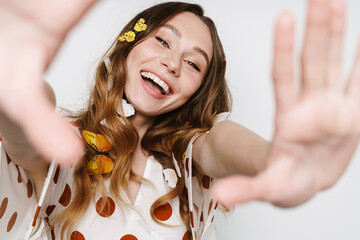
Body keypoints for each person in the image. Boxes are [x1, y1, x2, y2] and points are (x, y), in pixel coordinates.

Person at [0, 0, 359, 239]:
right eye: (163, 41)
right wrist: (15, 87)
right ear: (129, 47)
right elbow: (27, 125)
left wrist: (275, 160)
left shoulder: (190, 160)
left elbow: (221, 142)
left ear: (197, 90)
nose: (172, 63)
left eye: (193, 63)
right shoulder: (65, 143)